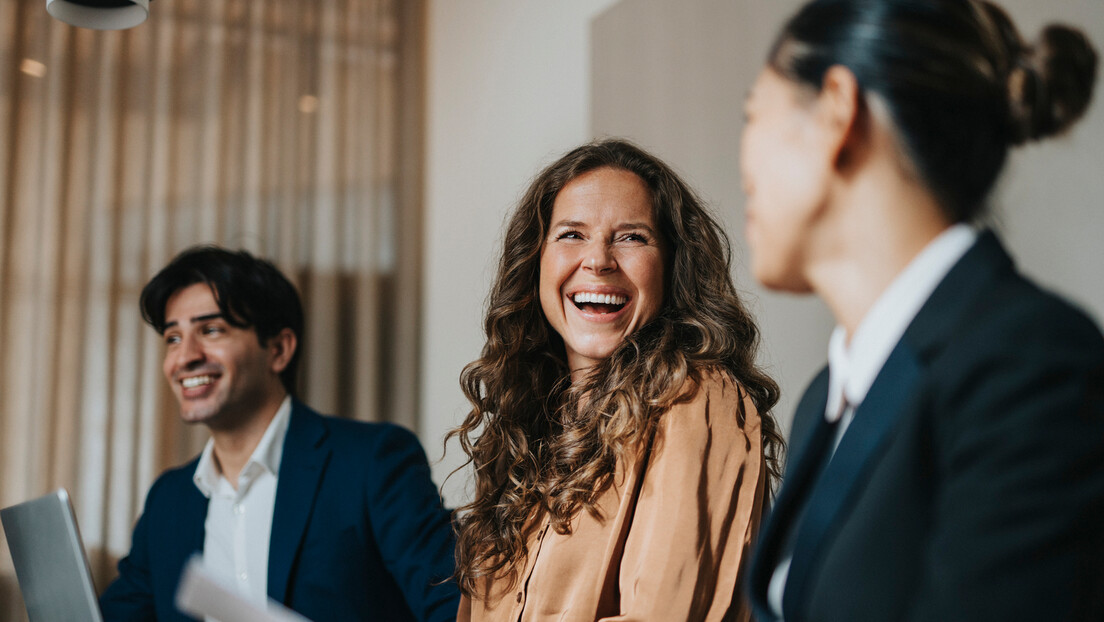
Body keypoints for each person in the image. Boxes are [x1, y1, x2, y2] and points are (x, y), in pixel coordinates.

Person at [740, 1, 1104, 620]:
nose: (743, 164)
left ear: (836, 110)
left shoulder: (1031, 363)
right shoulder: (825, 399)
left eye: (752, 115)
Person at [450, 139, 784, 621]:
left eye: (631, 237)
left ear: (672, 266)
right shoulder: (525, 430)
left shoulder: (697, 399)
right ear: (535, 262)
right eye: (571, 235)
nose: (599, 260)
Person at [99, 246, 460, 622]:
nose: (185, 356)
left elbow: (452, 610)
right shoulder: (168, 501)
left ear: (279, 350)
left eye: (211, 330)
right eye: (173, 338)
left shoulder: (373, 462)